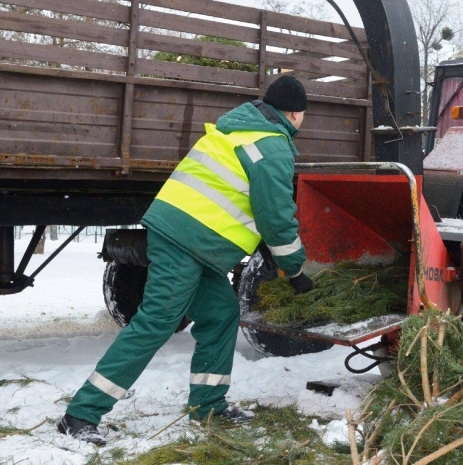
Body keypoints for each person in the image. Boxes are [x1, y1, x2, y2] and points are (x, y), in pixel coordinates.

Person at [57, 75, 313, 445]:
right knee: (156, 323)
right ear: (295, 113)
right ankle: (80, 414)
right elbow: (277, 218)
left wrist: (260, 245)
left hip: (188, 240)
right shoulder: (271, 146)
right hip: (186, 244)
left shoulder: (236, 129)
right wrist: (295, 268)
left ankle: (208, 406)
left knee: (221, 313)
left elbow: (238, 197)